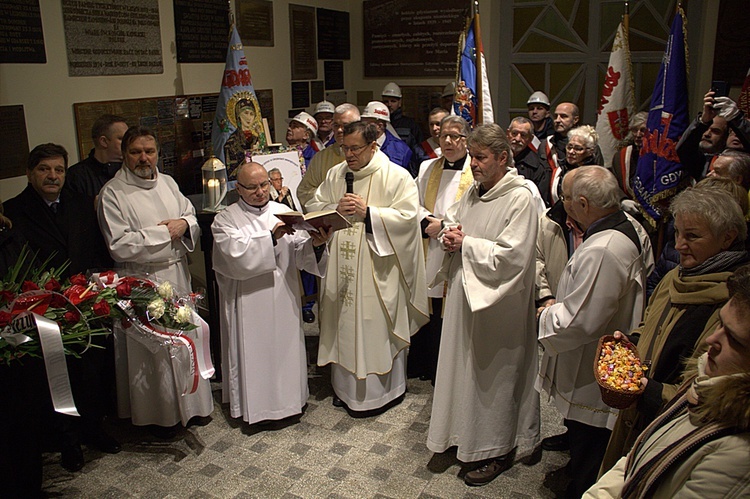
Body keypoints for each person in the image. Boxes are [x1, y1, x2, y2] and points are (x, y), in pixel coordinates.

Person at [601, 185, 749, 474]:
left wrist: (651, 392)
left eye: (692, 236)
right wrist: (629, 347)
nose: (679, 245)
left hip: (678, 424)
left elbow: (711, 386)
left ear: (727, 238)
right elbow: (649, 325)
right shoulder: (674, 277)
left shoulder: (734, 303)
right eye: (677, 233)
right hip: (637, 415)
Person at [427, 123, 540, 486]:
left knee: (495, 376)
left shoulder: (521, 196)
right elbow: (456, 223)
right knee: (464, 369)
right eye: (472, 156)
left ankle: (497, 448)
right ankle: (464, 434)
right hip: (465, 294)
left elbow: (514, 256)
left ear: (503, 158)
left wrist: (466, 244)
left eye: (480, 157)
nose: (472, 164)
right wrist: (449, 237)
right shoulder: (476, 191)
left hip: (499, 303)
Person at [585, 264, 750, 498]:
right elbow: (638, 460)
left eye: (734, 339)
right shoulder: (703, 386)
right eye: (721, 324)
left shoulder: (738, 456)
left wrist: (652, 392)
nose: (713, 338)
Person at [537, 166, 653, 498]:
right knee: (582, 437)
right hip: (592, 352)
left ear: (585, 204)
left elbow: (581, 320)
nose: (565, 205)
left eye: (568, 199)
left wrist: (544, 316)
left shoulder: (604, 249)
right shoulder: (623, 227)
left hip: (592, 364)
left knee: (591, 440)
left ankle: (581, 486)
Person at [4, 143, 118, 473]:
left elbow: (97, 250)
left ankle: (94, 428)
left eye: (58, 170)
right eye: (44, 169)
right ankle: (66, 441)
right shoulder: (13, 211)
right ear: (29, 173)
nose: (52, 176)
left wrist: (96, 286)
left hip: (84, 301)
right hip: (43, 307)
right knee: (56, 377)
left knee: (93, 371)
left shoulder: (82, 204)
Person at [306, 121, 428, 413]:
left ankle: (382, 393)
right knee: (342, 323)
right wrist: (331, 213)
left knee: (375, 326)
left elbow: (409, 220)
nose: (348, 154)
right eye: (344, 148)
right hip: (342, 267)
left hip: (378, 268)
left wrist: (369, 213)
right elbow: (316, 205)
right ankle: (344, 389)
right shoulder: (336, 174)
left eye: (355, 148)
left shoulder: (396, 177)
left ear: (373, 146)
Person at [97, 126, 213, 434]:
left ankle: (192, 407)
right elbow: (119, 244)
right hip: (139, 281)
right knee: (151, 350)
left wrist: (184, 224)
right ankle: (158, 416)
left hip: (176, 273)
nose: (143, 158)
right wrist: (167, 232)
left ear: (158, 154)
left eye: (149, 151)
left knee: (185, 340)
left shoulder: (169, 182)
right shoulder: (113, 193)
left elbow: (189, 216)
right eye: (135, 152)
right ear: (124, 155)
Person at [211, 162, 330, 425]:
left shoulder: (283, 212)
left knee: (285, 350)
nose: (260, 192)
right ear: (238, 189)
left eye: (264, 184)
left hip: (283, 296)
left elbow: (301, 253)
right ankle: (256, 410)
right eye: (251, 187)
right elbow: (231, 256)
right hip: (248, 301)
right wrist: (270, 238)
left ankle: (290, 403)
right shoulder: (226, 219)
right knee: (255, 354)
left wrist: (317, 245)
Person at [410, 116, 473, 383]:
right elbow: (411, 199)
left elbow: (475, 210)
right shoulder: (427, 168)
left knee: (449, 310)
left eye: (455, 136)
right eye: (443, 136)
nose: (447, 141)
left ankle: (445, 371)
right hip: (427, 244)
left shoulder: (475, 171)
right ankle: (423, 361)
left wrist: (444, 225)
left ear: (466, 139)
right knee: (428, 305)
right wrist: (427, 221)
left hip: (454, 248)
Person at [297, 103, 360, 209]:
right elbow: (304, 192)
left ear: (358, 126)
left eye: (345, 125)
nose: (340, 130)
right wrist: (332, 204)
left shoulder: (369, 154)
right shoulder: (321, 158)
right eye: (336, 126)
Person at [677, 90, 750, 181]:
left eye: (739, 132)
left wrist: (736, 119)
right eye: (732, 131)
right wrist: (702, 122)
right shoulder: (706, 163)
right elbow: (684, 150)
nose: (735, 135)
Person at [65, 114, 128, 197]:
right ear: (104, 141)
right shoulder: (77, 175)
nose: (128, 143)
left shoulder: (132, 170)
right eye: (122, 139)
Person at [540, 103, 604, 183]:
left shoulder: (590, 146)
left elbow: (599, 176)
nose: (557, 120)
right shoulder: (546, 145)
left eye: (563, 116)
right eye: (556, 116)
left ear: (575, 120)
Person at [360, 101, 414, 175]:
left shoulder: (401, 150)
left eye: (366, 124)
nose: (363, 128)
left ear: (379, 126)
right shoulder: (358, 145)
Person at [550, 124, 599, 204]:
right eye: (569, 147)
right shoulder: (558, 171)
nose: (571, 152)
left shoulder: (595, 176)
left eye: (578, 148)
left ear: (590, 152)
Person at [508, 116, 551, 204]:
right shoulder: (496, 159)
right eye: (514, 133)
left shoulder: (539, 168)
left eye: (523, 135)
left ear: (531, 139)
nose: (517, 139)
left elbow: (539, 202)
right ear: (508, 133)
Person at [224, 98, 263, 179]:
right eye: (246, 113)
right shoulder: (232, 142)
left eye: (252, 114)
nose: (249, 117)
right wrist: (251, 155)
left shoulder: (257, 139)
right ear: (238, 115)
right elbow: (231, 174)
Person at [612, 111, 648, 199]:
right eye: (635, 130)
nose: (638, 135)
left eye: (643, 130)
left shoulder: (660, 156)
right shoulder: (620, 157)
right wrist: (622, 199)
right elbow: (613, 184)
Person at [381, 82, 423, 154]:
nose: (389, 104)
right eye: (386, 101)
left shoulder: (410, 124)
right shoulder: (379, 123)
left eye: (393, 101)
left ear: (399, 103)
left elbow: (418, 149)